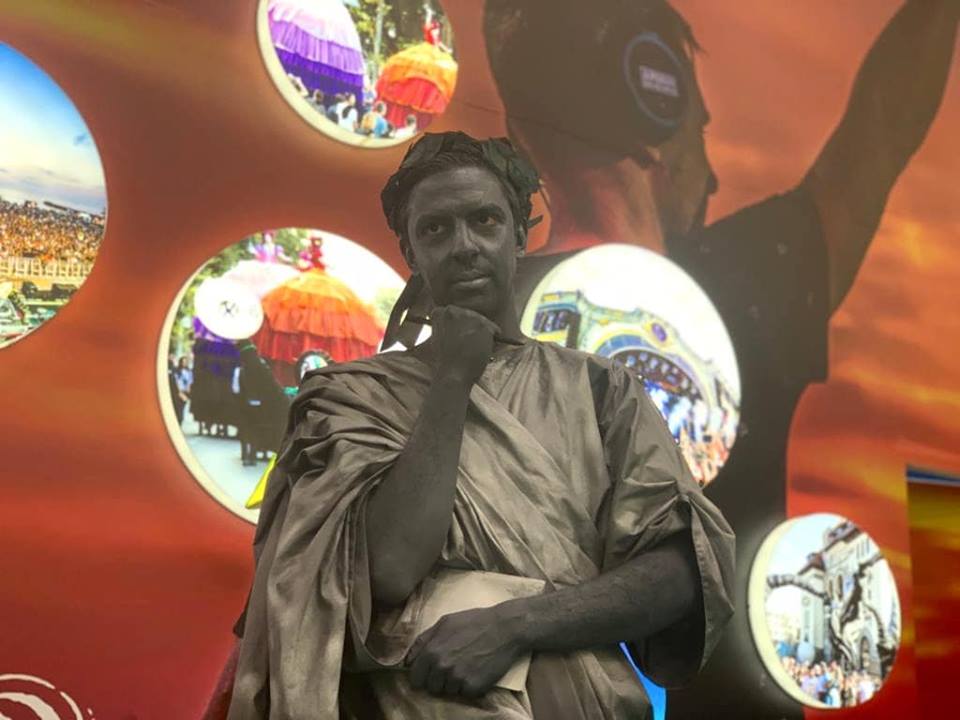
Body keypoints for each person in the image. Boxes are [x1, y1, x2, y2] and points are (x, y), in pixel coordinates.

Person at [484, 1, 957, 715]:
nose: (711, 177)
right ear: (653, 112)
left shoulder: (470, 324)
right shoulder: (749, 280)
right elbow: (881, 128)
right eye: (699, 128)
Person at [213, 132, 734, 719]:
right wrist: (452, 378)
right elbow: (389, 569)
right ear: (411, 252)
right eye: (435, 229)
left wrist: (514, 625)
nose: (463, 246)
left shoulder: (601, 391)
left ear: (519, 235)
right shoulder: (348, 400)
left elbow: (679, 576)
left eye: (484, 220)